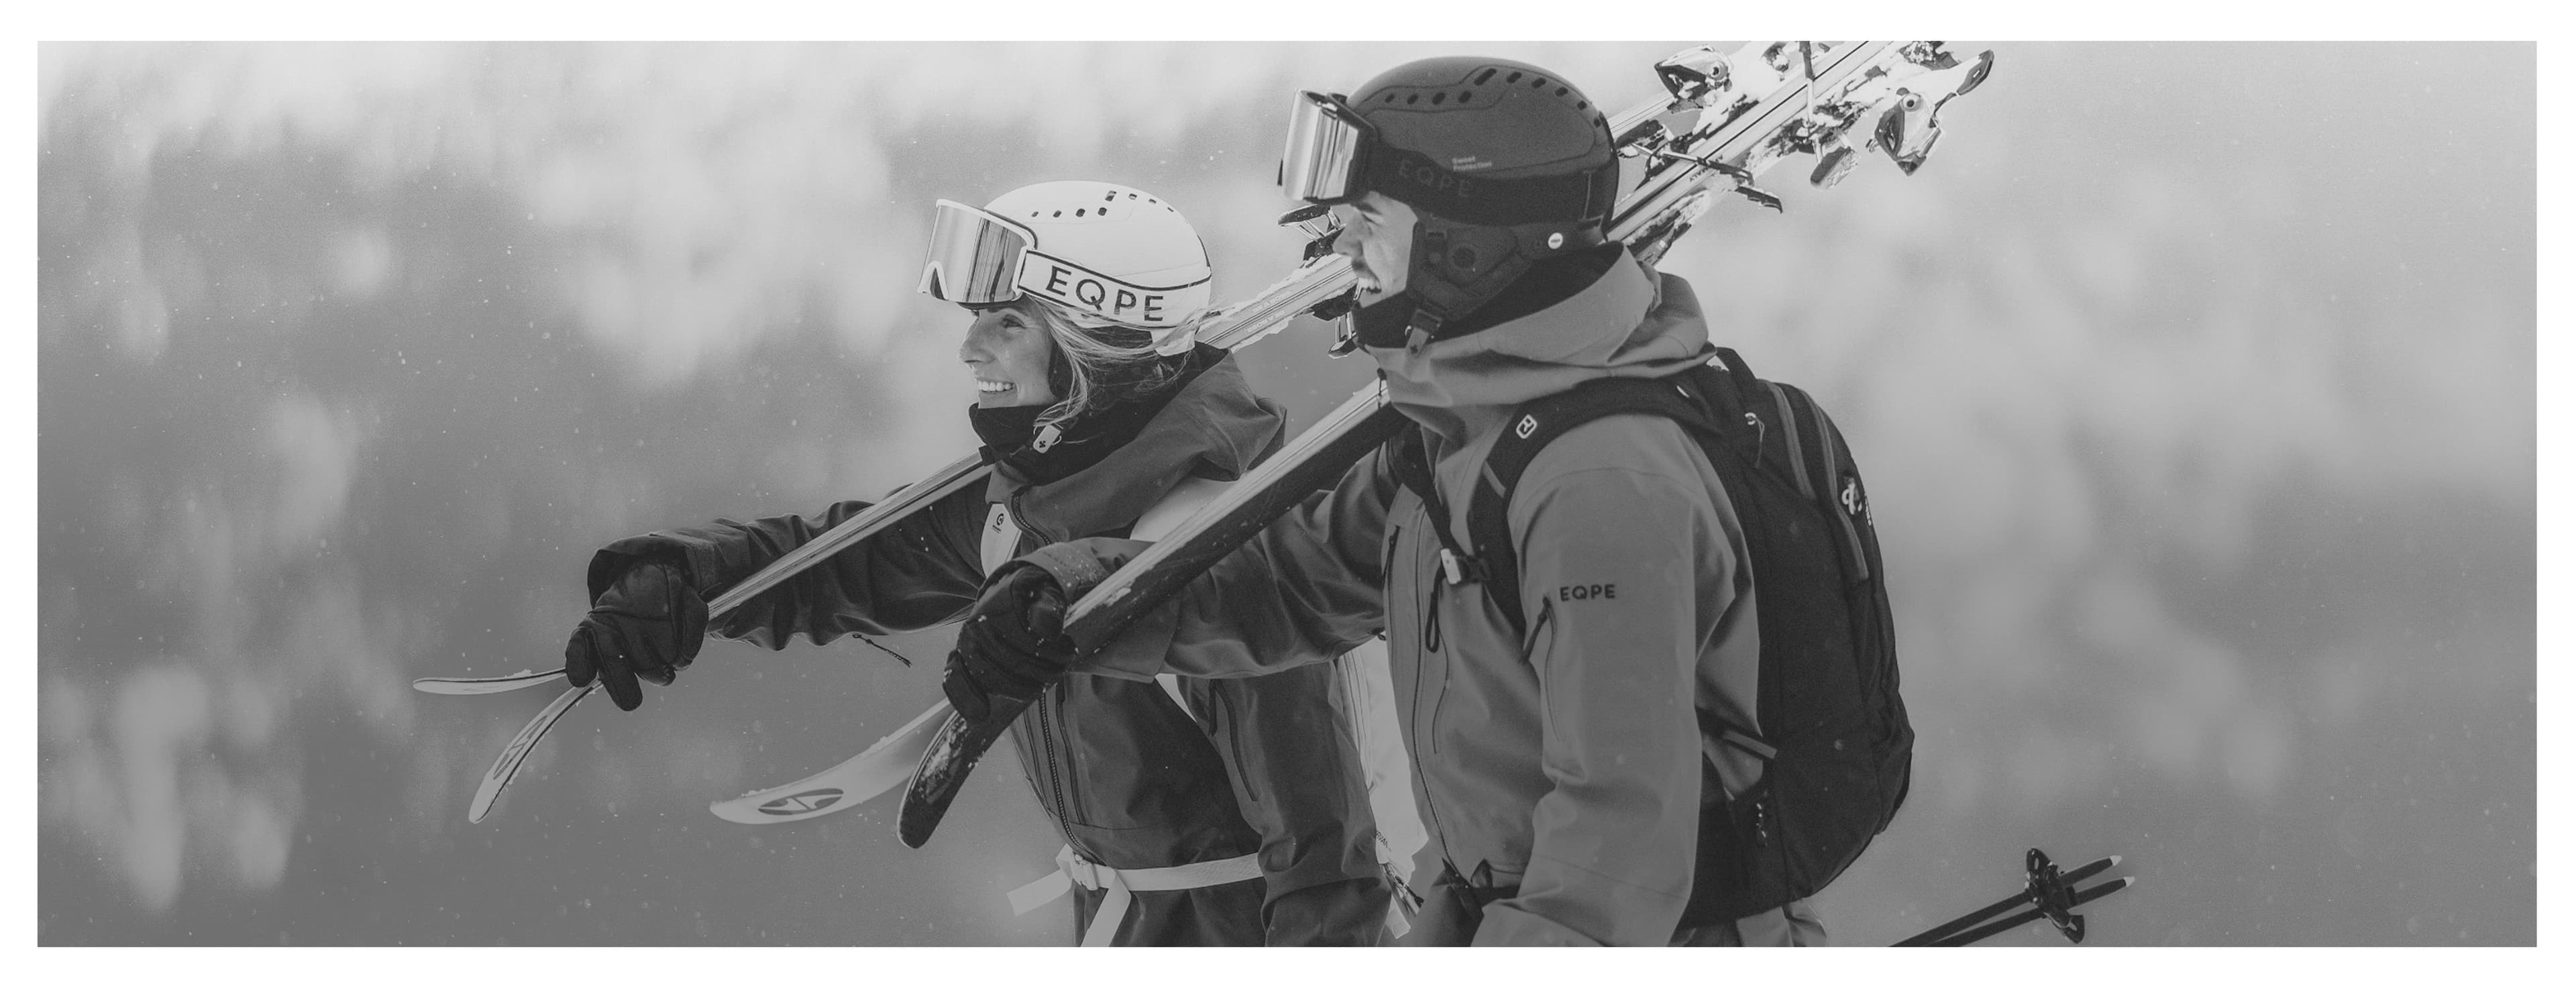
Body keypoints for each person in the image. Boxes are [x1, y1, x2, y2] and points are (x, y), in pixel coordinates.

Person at [941, 59, 1836, 946]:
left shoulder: (1598, 484)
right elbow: (1285, 585)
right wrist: (1075, 596)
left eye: (1366, 222)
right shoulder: (1463, 432)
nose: (1340, 253)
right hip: (1497, 909)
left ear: (1466, 244)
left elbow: (1617, 850)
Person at [558, 180, 1395, 946]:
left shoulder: (1215, 550)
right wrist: (690, 580)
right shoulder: (1027, 507)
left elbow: (1329, 866)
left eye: (1007, 324)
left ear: (1095, 344)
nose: (969, 348)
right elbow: (847, 561)